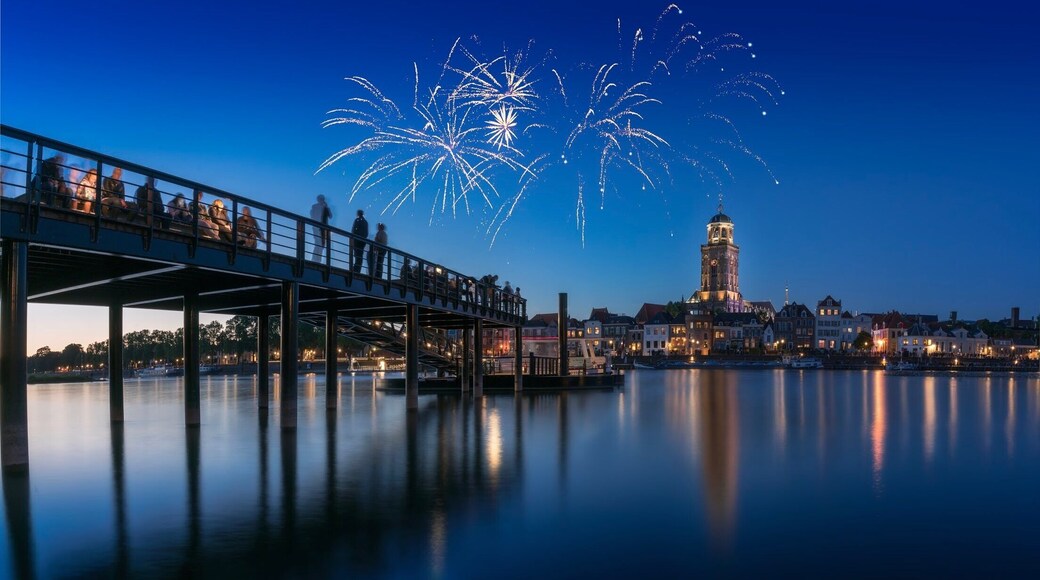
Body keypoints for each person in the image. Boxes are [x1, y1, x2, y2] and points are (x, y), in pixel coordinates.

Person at [310, 194, 332, 261]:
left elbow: (330, 216)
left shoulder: (322, 207)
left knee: (320, 244)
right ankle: (316, 259)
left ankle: (316, 259)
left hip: (320, 228)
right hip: (319, 227)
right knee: (319, 243)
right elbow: (330, 216)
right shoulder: (316, 207)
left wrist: (326, 207)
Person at [350, 208, 368, 273]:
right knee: (360, 255)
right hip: (363, 241)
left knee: (357, 254)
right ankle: (357, 269)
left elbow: (354, 230)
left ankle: (356, 269)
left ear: (358, 214)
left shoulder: (357, 220)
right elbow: (366, 233)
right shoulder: (365, 222)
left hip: (357, 240)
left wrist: (352, 237)